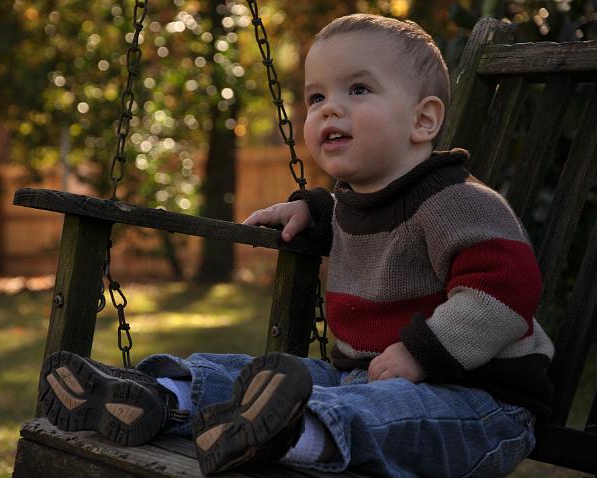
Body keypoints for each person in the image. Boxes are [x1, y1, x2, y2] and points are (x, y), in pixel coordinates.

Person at [38, 13, 555, 477]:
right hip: (358, 378)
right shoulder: (356, 204)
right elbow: (360, 215)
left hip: (477, 403)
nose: (330, 109)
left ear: (423, 121)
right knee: (257, 373)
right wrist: (313, 208)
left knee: (384, 415)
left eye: (357, 90)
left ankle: (289, 434)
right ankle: (161, 397)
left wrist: (421, 354)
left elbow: (506, 291)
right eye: (316, 97)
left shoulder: (459, 202)